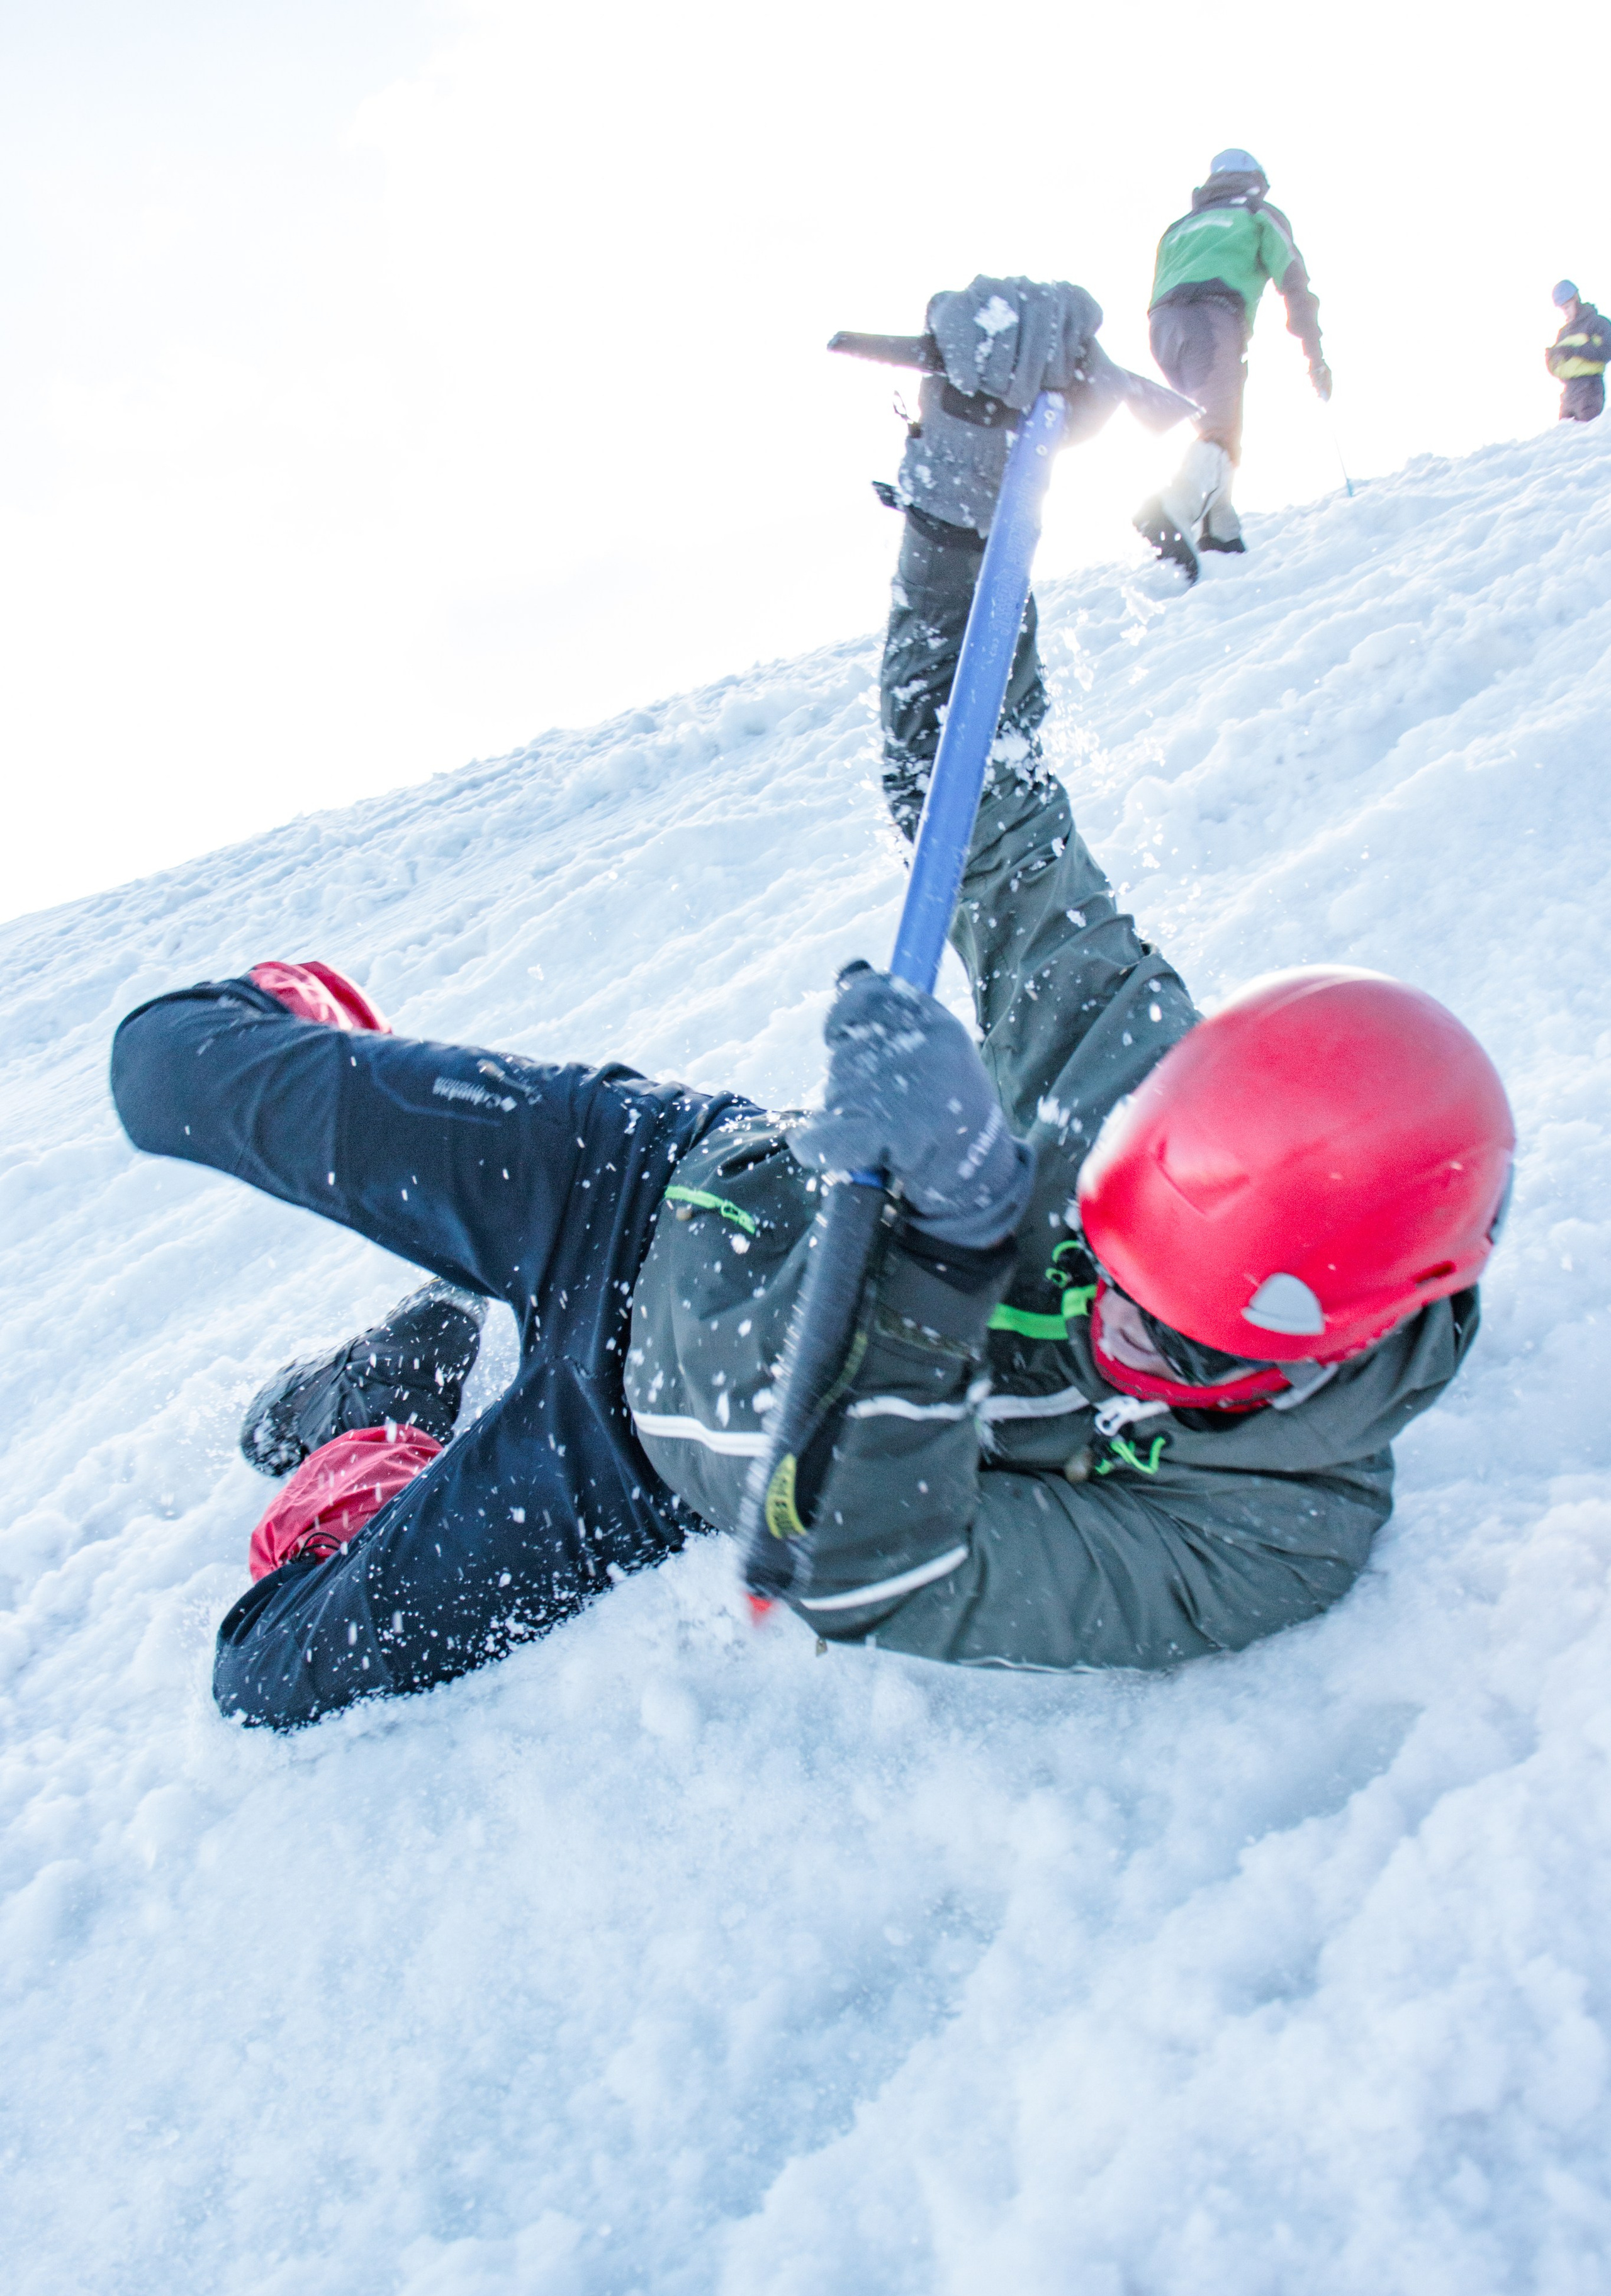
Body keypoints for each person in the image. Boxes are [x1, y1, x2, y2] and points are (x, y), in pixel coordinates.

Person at [110, 281, 1513, 1732]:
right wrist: (965, 476)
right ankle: (329, 1050)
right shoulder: (1128, 1070)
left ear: (1338, 1337)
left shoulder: (1270, 1534)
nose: (1112, 1323)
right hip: (638, 1180)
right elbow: (980, 799)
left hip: (633, 1446)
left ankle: (386, 1397)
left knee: (267, 1676)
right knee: (157, 1067)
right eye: (1106, 1234)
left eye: (1183, 1349)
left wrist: (946, 1256)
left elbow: (874, 1564)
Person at [1135, 148, 1330, 583]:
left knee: (1215, 426)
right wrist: (1314, 352)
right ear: (1256, 181)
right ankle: (1177, 506)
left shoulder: (1180, 227)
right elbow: (1293, 279)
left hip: (1163, 327)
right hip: (1214, 316)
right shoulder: (1258, 213)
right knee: (1219, 430)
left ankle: (1220, 530)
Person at [1546, 281, 1609, 423]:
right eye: (1563, 309)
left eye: (1567, 307)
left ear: (1576, 299)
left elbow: (1607, 351)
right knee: (1566, 442)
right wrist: (1550, 361)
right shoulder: (1563, 333)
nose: (1566, 312)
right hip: (1568, 393)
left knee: (1587, 440)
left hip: (1590, 388)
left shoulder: (1597, 323)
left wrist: (1575, 351)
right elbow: (1559, 370)